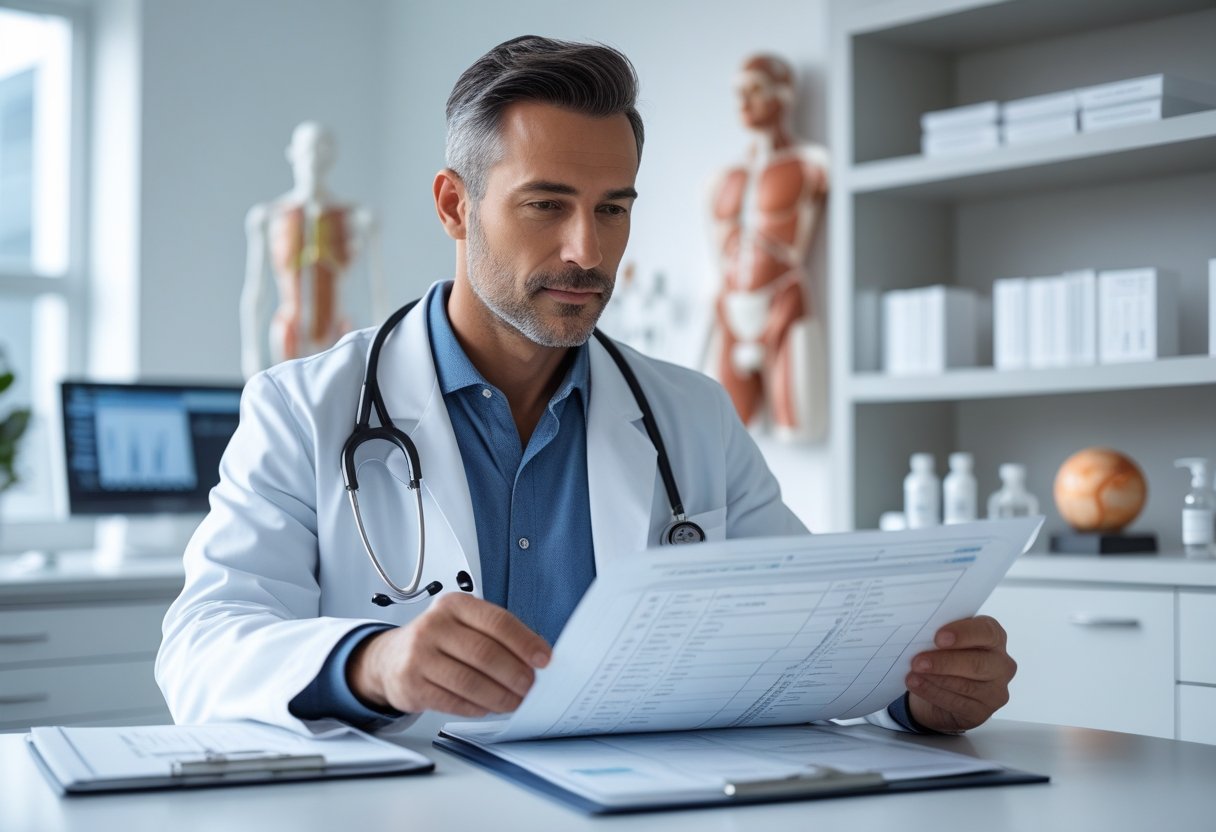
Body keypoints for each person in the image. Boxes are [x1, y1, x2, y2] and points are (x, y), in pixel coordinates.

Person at [157, 36, 1015, 737]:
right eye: (547, 205)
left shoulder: (690, 416)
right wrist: (371, 663)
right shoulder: (302, 408)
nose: (588, 251)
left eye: (613, 208)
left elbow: (802, 637)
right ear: (455, 207)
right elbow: (200, 650)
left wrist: (918, 689)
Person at [709, 54, 828, 441]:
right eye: (737, 92)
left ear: (784, 94)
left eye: (755, 90)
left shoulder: (812, 164)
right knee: (725, 440)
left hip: (782, 298)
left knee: (800, 427)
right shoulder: (722, 179)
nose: (744, 102)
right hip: (730, 308)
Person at [240, 121, 385, 381]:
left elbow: (375, 288)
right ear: (292, 153)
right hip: (288, 333)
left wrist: (382, 350)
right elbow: (256, 291)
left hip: (336, 334)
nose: (314, 157)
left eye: (322, 148)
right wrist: (249, 351)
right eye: (307, 149)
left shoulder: (355, 217)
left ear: (333, 155)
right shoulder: (268, 216)